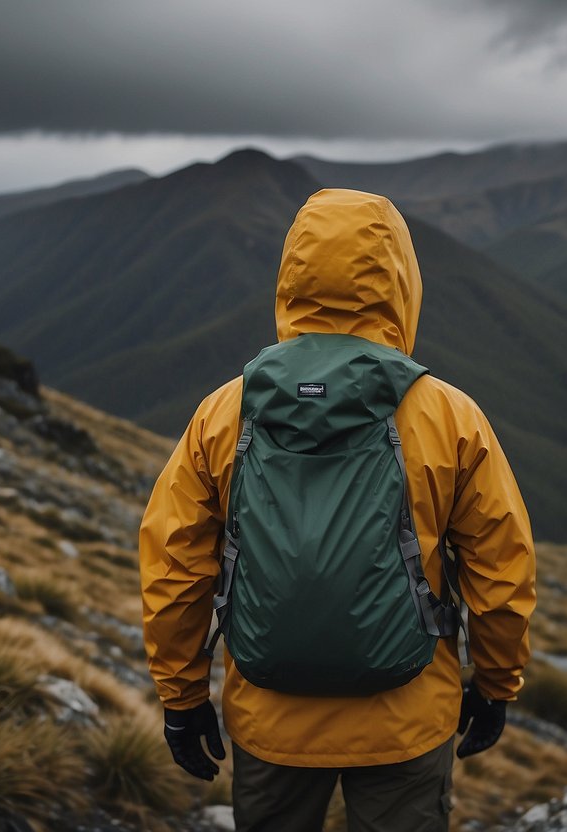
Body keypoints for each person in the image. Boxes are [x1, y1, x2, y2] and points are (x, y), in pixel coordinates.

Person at [139, 188, 536, 832]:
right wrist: (495, 686)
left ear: (291, 278)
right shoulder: (449, 415)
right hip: (405, 716)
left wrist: (182, 699)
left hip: (270, 718)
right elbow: (502, 569)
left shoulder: (224, 412)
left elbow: (175, 565)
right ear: (400, 281)